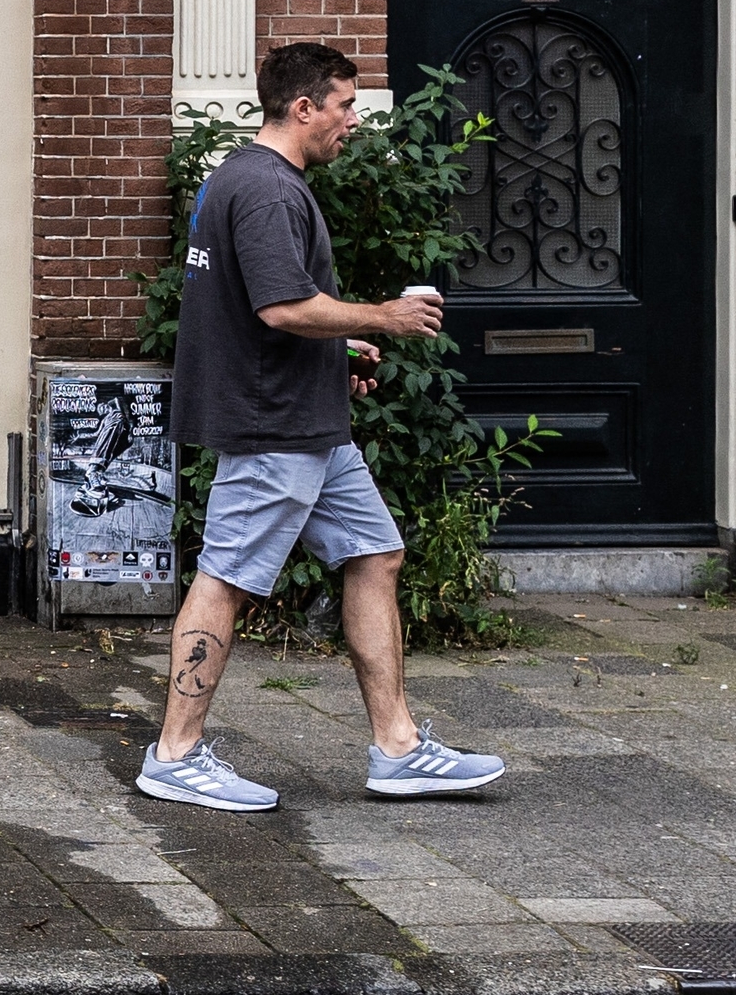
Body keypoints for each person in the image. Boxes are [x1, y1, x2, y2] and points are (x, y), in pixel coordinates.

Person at [137, 39, 505, 814]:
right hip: (275, 427)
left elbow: (261, 311)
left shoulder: (239, 176)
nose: (353, 123)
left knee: (376, 554)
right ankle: (174, 755)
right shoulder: (270, 192)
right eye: (345, 107)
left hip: (308, 421)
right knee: (227, 580)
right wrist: (386, 317)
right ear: (303, 107)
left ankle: (398, 749)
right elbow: (280, 307)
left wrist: (336, 350)